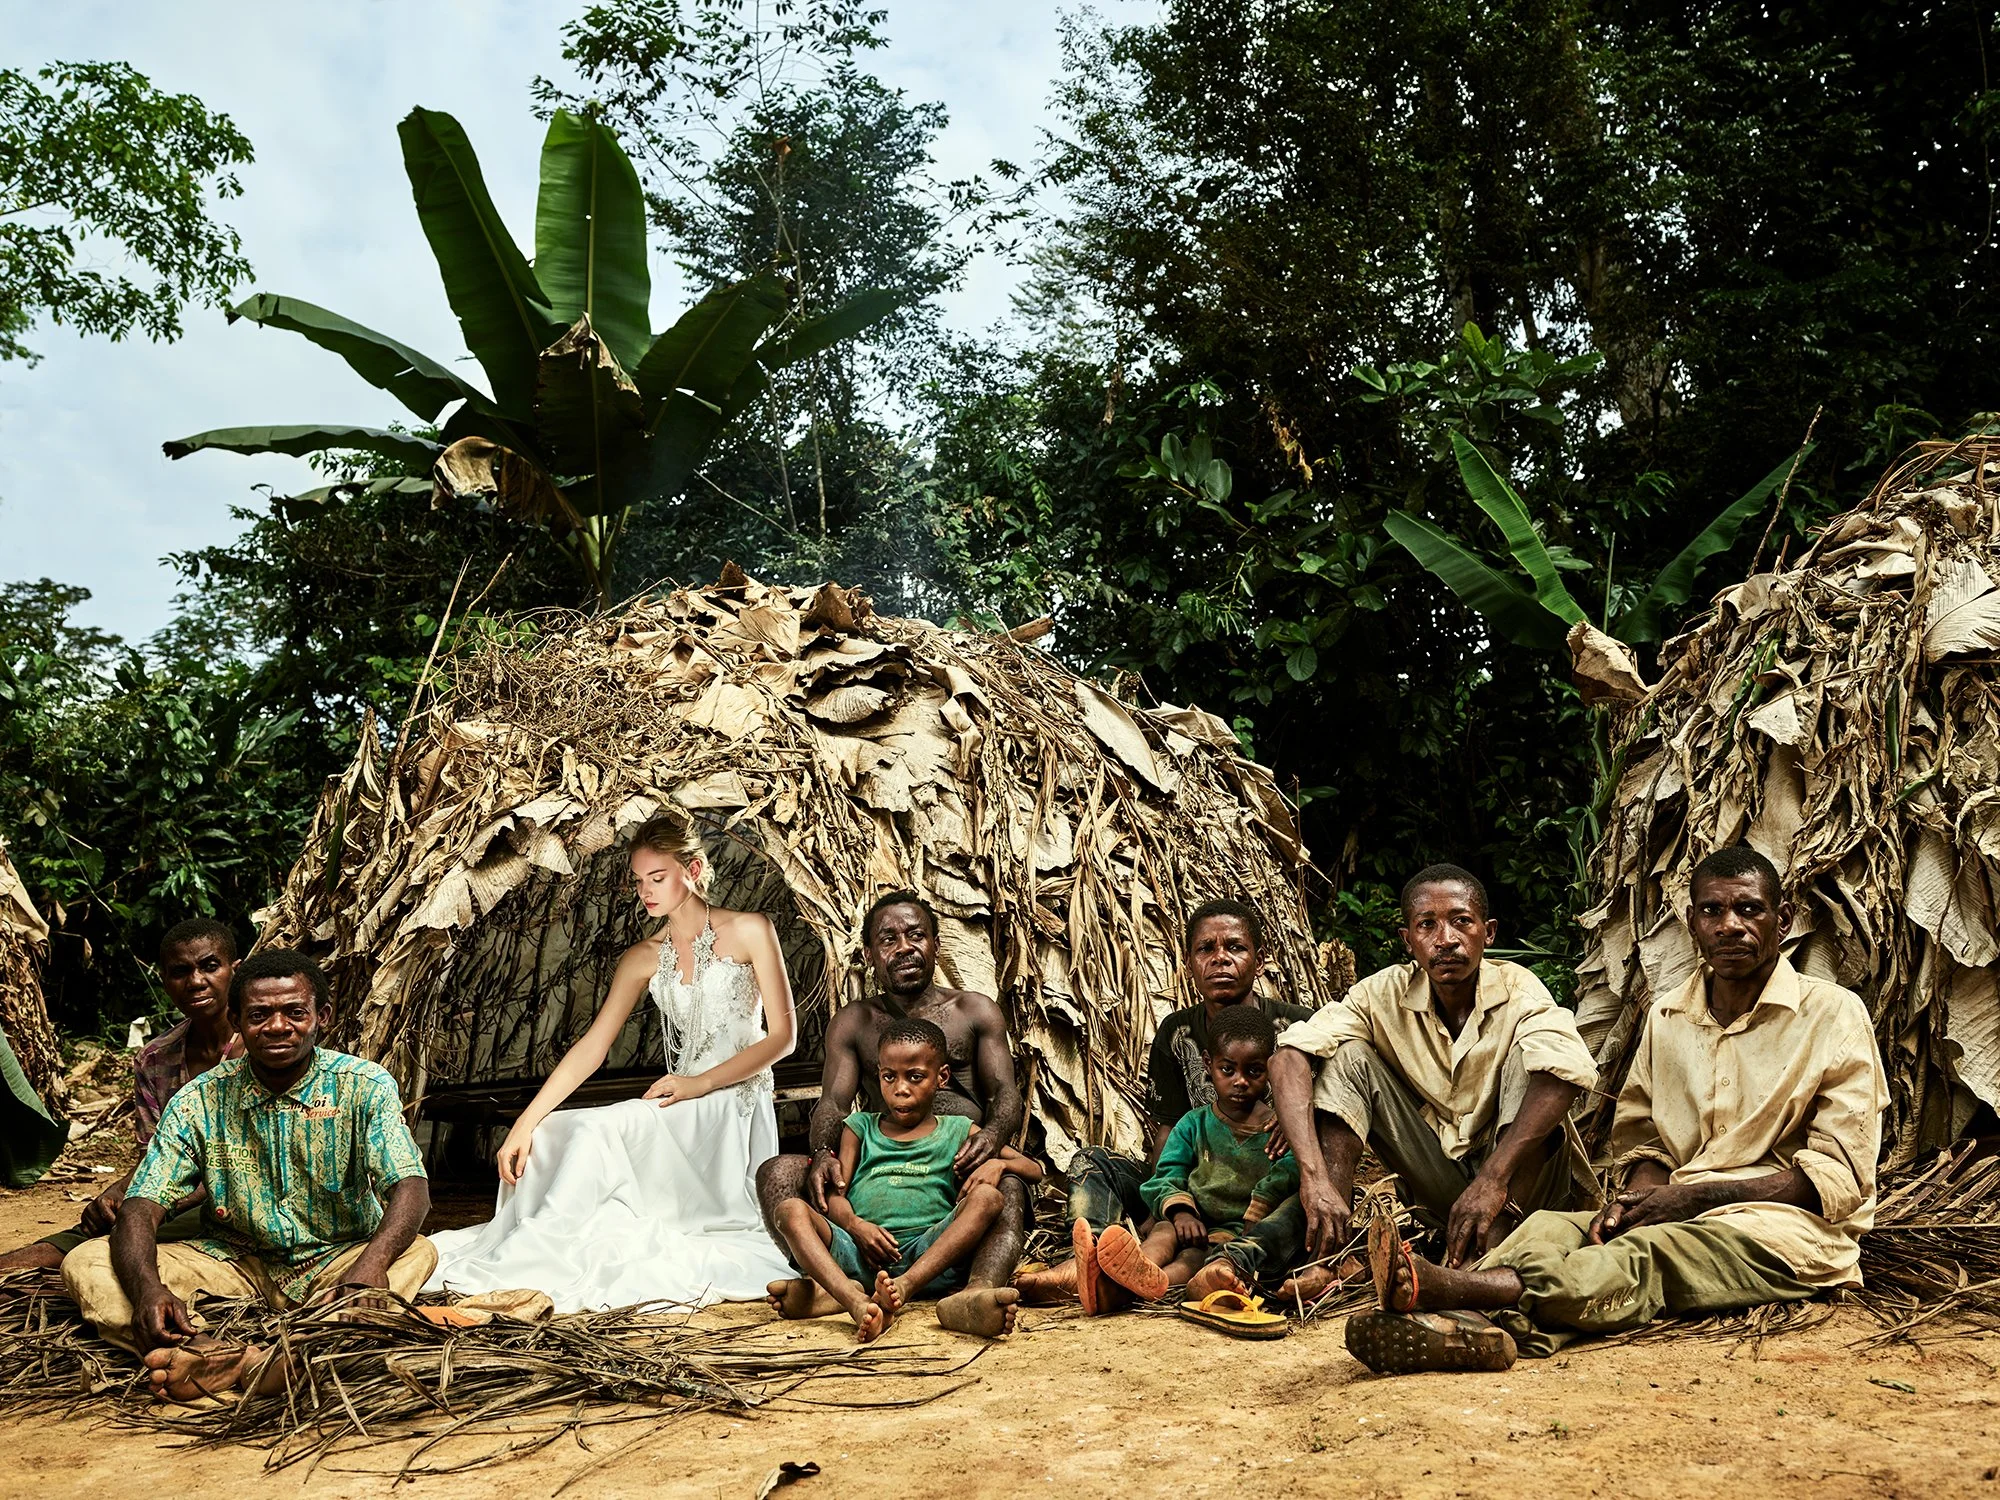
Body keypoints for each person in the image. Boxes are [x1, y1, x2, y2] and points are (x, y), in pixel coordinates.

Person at [1346, 845, 1889, 1373]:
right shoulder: (1669, 1016)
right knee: (1551, 1231)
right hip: (1677, 1207)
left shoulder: (1832, 1015)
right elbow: (1643, 1138)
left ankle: (1453, 1290)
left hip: (1784, 1232)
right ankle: (1478, 1331)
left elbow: (1840, 1176)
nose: (1730, 925)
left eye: (1749, 909)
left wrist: (1694, 1197)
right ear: (1692, 923)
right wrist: (1635, 1200)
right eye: (1712, 911)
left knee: (1648, 1254)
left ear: (1784, 920)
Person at [424, 809, 797, 1311]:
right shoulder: (643, 956)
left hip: (734, 1105)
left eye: (658, 877)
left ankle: (552, 1252)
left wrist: (700, 1085)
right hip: (679, 1101)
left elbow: (783, 1039)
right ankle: (540, 1251)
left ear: (692, 870)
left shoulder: (752, 929)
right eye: (639, 881)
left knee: (598, 1131)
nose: (646, 891)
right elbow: (593, 1046)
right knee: (558, 1131)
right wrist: (525, 1124)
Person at [60, 949, 434, 1403]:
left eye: (295, 1012)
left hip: (338, 1258)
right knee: (87, 1262)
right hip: (229, 1260)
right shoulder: (198, 1100)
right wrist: (149, 1289)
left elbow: (411, 1187)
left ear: (324, 1017)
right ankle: (217, 1352)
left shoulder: (365, 1085)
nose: (278, 1027)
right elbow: (141, 1206)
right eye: (259, 1015)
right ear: (236, 1019)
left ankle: (251, 1357)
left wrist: (370, 1266)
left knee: (416, 1252)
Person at [1269, 864, 1598, 1273]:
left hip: (1527, 1191)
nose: (1446, 940)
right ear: (1408, 940)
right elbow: (1287, 1057)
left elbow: (1567, 1072)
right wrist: (1313, 1178)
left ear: (1488, 932)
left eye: (1462, 921)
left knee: (1534, 1061)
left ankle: (1478, 1263)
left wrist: (1492, 1180)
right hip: (1443, 1186)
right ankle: (1331, 1253)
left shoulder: (1519, 988)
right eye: (1427, 925)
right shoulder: (1382, 993)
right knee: (1346, 1057)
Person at [1016, 898, 1318, 1311]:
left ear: (1260, 959)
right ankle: (1093, 1258)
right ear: (1189, 962)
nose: (1220, 959)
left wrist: (1299, 1117)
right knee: (1091, 1162)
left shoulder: (1301, 1027)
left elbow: (1336, 1109)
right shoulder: (1177, 1033)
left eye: (1235, 947)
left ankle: (1228, 1264)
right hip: (1190, 1182)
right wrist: (1166, 1206)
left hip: (1262, 1192)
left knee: (1302, 1199)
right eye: (1205, 949)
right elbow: (1167, 1131)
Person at [757, 890, 1030, 1334]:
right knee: (779, 1173)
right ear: (869, 954)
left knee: (1009, 1185)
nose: (904, 947)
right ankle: (833, 1282)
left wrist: (991, 1141)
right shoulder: (855, 1021)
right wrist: (825, 1151)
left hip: (957, 1163)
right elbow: (833, 1103)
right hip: (879, 1166)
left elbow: (1005, 1092)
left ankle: (974, 1292)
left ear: (936, 945)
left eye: (916, 935)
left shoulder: (974, 1010)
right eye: (888, 939)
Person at [767, 1018, 1042, 1341]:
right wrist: (857, 1227)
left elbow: (1033, 1169)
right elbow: (836, 1193)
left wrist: (997, 1165)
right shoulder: (859, 1128)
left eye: (915, 1077)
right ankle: (853, 1299)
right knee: (790, 1211)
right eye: (889, 1077)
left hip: (929, 1254)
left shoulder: (959, 1129)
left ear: (941, 1078)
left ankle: (902, 1287)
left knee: (988, 1198)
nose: (900, 1089)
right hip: (859, 1250)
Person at [0, 918, 244, 1272]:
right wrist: (119, 1191)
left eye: (209, 966)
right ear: (164, 981)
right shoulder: (156, 1059)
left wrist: (147, 1206)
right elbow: (157, 1159)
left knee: (121, 1234)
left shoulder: (263, 1049)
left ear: (234, 971)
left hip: (247, 1199)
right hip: (178, 1200)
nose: (195, 982)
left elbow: (252, 1162)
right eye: (180, 972)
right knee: (101, 1226)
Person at [1090, 1006, 1303, 1304]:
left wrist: (1260, 1209)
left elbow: (1290, 1171)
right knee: (1163, 1234)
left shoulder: (1278, 1129)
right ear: (1207, 1064)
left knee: (1193, 1260)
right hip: (1189, 1219)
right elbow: (1168, 1172)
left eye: (1253, 1071)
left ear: (1271, 1067)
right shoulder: (1194, 1123)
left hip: (1235, 1233)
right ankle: (1137, 1267)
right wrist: (1182, 1212)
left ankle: (1149, 1286)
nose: (1240, 1081)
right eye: (1227, 1070)